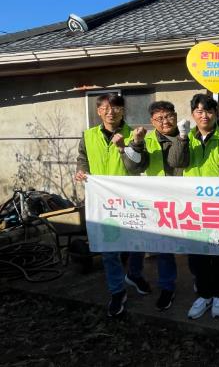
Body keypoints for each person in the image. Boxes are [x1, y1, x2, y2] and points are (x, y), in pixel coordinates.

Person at [75, 93, 151, 317]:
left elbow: (139, 167)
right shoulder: (88, 135)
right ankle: (117, 291)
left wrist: (126, 146)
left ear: (123, 111)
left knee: (137, 242)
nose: (111, 112)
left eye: (116, 108)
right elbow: (83, 158)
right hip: (102, 201)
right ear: (99, 111)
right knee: (109, 250)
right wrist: (81, 171)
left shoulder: (135, 134)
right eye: (106, 108)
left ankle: (134, 274)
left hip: (129, 199)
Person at [123, 101, 190, 311]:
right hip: (155, 200)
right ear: (152, 121)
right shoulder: (145, 139)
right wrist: (136, 143)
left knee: (195, 244)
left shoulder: (188, 136)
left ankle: (201, 280)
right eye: (159, 118)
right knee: (162, 247)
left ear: (176, 116)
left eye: (168, 116)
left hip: (184, 199)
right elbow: (134, 167)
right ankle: (167, 287)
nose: (165, 121)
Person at [183, 94, 219, 320]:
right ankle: (204, 295)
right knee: (197, 255)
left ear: (216, 113)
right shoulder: (186, 137)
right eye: (199, 111)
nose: (204, 115)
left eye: (208, 111)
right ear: (193, 114)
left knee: (218, 254)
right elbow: (177, 164)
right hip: (191, 207)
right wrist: (182, 138)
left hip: (217, 207)